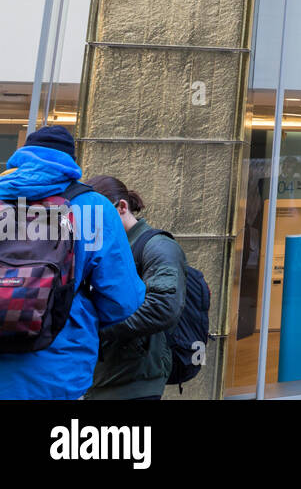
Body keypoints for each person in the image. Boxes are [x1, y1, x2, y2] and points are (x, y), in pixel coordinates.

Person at [0, 126, 144, 399]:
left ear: (21, 157)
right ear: (70, 163)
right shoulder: (93, 207)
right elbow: (123, 302)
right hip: (58, 370)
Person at [83, 176, 187, 400]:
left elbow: (163, 307)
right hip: (101, 377)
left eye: (98, 218)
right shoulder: (101, 248)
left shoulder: (158, 246)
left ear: (122, 207)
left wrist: (97, 331)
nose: (91, 227)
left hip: (134, 381)